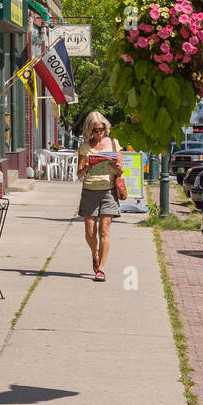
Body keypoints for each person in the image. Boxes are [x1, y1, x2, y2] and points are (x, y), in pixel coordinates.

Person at [76, 111, 127, 281]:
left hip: (108, 191)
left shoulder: (113, 144)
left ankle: (101, 269)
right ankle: (94, 252)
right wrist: (86, 169)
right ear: (89, 129)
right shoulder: (85, 147)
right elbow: (79, 174)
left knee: (104, 229)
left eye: (102, 129)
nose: (100, 133)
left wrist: (118, 169)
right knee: (90, 233)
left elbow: (120, 168)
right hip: (90, 191)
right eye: (96, 130)